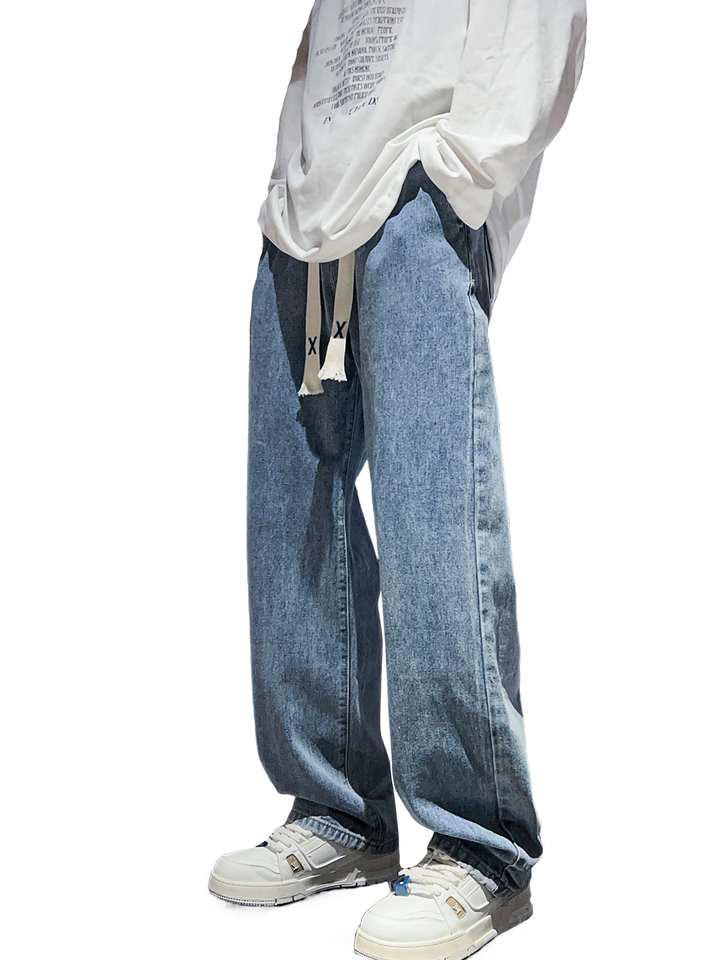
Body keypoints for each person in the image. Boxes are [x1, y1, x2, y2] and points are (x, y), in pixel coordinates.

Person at [209, 2, 586, 957]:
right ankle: (338, 811)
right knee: (292, 514)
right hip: (307, 211)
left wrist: (459, 172)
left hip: (422, 188)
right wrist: (288, 175)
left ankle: (481, 847)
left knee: (432, 514)